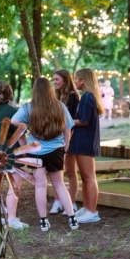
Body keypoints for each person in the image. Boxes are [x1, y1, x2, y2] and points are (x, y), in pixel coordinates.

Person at [11, 77, 79, 232]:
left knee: (40, 185)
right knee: (59, 184)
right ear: (50, 89)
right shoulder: (59, 106)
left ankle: (43, 221)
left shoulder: (29, 108)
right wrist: (66, 146)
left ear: (34, 90)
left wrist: (26, 127)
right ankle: (72, 219)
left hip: (36, 151)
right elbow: (68, 128)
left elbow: (13, 121)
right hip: (57, 149)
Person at [0, 80, 28, 230]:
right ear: (9, 92)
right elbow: (20, 136)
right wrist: (26, 151)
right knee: (14, 186)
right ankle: (12, 219)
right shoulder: (13, 112)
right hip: (10, 154)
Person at [68, 69, 104, 223]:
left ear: (83, 80)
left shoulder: (87, 97)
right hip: (82, 140)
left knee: (89, 177)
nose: (74, 81)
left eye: (76, 78)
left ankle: (92, 210)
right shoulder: (87, 97)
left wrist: (66, 121)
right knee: (85, 177)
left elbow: (84, 120)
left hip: (86, 141)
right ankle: (87, 207)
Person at [49, 69, 80, 215]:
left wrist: (68, 143)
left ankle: (72, 202)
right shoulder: (57, 97)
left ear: (65, 80)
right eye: (53, 80)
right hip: (57, 139)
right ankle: (58, 201)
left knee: (70, 171)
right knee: (57, 172)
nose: (54, 82)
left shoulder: (73, 97)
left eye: (57, 80)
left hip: (70, 139)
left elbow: (71, 122)